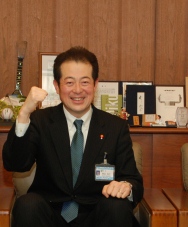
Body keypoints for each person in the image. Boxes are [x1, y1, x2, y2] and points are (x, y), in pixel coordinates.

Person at [3, 46, 143, 227]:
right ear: (56, 86)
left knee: (117, 206)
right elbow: (15, 164)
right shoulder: (41, 121)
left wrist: (126, 187)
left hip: (97, 215)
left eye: (85, 82)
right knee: (27, 205)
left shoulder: (114, 127)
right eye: (69, 82)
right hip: (50, 214)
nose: (78, 90)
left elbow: (133, 180)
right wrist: (23, 114)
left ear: (95, 84)